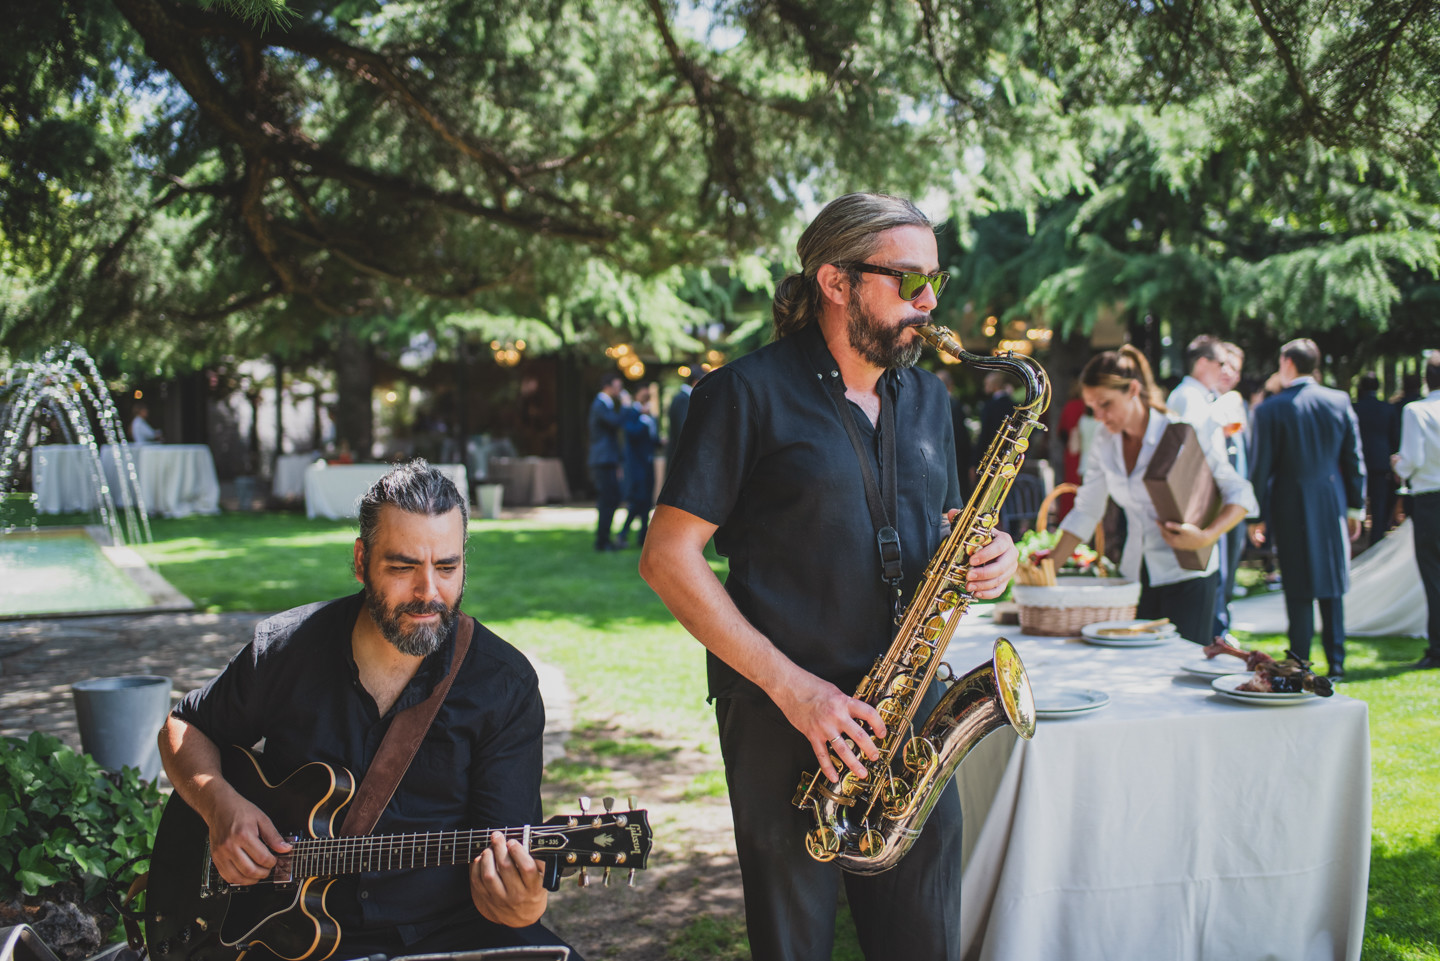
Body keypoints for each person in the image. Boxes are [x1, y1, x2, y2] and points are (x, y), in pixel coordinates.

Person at [638, 193, 1019, 961]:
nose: (929, 302)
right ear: (835, 280)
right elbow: (666, 557)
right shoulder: (742, 393)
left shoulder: (929, 398)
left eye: (934, 281)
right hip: (787, 719)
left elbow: (948, 530)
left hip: (908, 715)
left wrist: (994, 558)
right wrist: (796, 689)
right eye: (908, 280)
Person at [157, 460, 579, 959]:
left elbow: (506, 866)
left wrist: (521, 904)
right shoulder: (287, 649)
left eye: (446, 567)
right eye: (402, 567)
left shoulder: (502, 685)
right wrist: (218, 806)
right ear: (361, 561)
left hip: (443, 931)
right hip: (279, 930)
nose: (428, 593)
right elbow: (183, 726)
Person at [1051, 345, 1257, 645]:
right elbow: (1086, 510)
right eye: (1092, 407)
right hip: (1135, 575)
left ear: (1133, 389)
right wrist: (1047, 571)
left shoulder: (1182, 431)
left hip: (1187, 575)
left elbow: (1241, 492)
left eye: (1106, 404)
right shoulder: (1104, 442)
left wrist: (1206, 536)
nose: (1099, 417)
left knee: (1178, 675)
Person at [1249, 338, 1366, 679]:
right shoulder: (1338, 400)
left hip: (1289, 504)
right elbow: (1353, 457)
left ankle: (1300, 661)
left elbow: (1260, 467)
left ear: (1287, 363)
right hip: (1332, 501)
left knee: (1298, 585)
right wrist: (1355, 507)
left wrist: (1254, 516)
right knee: (1332, 582)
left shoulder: (1270, 408)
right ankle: (1338, 661)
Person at [1392, 355, 1440, 670]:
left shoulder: (1417, 410)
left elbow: (1412, 458)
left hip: (1430, 499)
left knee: (1434, 576)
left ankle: (1437, 647)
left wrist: (1399, 464)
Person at [1354, 371, 1400, 538]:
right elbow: (1395, 438)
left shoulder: (1354, 408)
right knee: (1379, 505)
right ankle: (1376, 540)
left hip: (1357, 461)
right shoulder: (1387, 409)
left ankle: (1357, 535)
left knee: (1355, 501)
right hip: (1381, 463)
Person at [588, 372, 626, 551]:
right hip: (602, 460)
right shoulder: (600, 404)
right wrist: (626, 407)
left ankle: (605, 540)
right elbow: (615, 422)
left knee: (612, 498)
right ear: (608, 386)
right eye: (618, 387)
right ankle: (602, 542)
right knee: (607, 500)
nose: (620, 391)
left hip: (608, 459)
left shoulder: (605, 404)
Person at [620, 384, 659, 547]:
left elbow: (652, 439)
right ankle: (622, 534)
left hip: (648, 462)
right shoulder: (633, 413)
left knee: (647, 501)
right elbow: (632, 434)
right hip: (636, 465)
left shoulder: (650, 415)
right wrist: (643, 420)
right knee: (638, 499)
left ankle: (643, 537)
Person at [973, 369, 1014, 483]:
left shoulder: (990, 407)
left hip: (990, 457)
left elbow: (984, 435)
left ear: (995, 385)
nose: (985, 386)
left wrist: (975, 461)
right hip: (1008, 457)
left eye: (987, 383)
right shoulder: (1013, 405)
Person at [665, 368, 698, 464]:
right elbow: (683, 429)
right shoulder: (683, 399)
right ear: (696, 382)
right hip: (681, 457)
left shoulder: (682, 397)